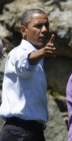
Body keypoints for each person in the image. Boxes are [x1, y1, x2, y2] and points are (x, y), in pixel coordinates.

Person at [0, 8, 56, 141]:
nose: (44, 30)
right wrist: (42, 52)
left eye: (46, 25)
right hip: (20, 133)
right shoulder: (18, 52)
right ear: (23, 30)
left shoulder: (37, 56)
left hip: (30, 132)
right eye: (38, 26)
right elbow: (24, 64)